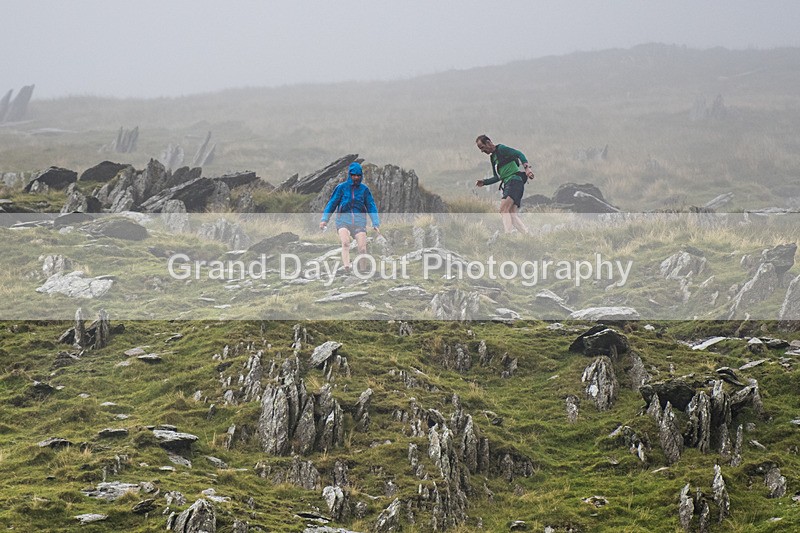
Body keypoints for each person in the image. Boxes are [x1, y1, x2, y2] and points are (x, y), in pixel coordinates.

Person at [320, 162, 380, 274]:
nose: (356, 177)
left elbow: (371, 206)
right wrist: (324, 220)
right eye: (353, 175)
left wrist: (375, 223)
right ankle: (347, 268)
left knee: (362, 248)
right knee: (345, 243)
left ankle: (363, 271)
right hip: (343, 221)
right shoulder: (341, 188)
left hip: (359, 223)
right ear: (350, 175)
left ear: (361, 176)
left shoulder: (364, 190)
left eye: (358, 175)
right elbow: (332, 204)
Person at [474, 134, 534, 234]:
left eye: (482, 147)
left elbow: (519, 153)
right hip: (510, 183)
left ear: (488, 142)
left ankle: (508, 235)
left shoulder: (501, 149)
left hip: (514, 181)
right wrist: (484, 182)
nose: (482, 151)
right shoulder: (493, 158)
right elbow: (497, 177)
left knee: (503, 209)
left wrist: (527, 168)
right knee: (511, 213)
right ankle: (528, 235)